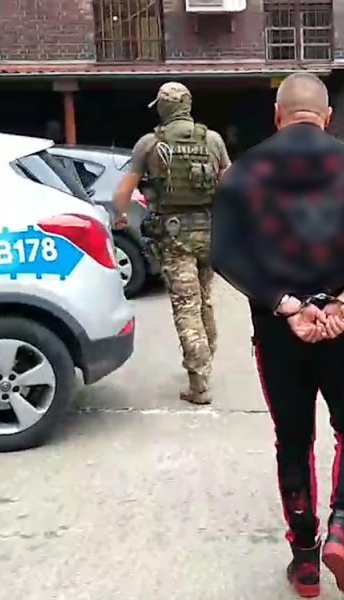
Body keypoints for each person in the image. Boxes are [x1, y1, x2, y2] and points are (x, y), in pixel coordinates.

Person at [211, 72, 344, 598]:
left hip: (280, 332)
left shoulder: (244, 173)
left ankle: (304, 560)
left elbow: (225, 255)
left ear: (278, 115)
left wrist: (284, 303)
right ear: (327, 117)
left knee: (294, 441)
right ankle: (343, 528)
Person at [113, 82, 231, 405]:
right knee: (204, 298)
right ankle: (207, 354)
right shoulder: (212, 140)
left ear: (163, 108)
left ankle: (199, 383)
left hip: (174, 236)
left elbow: (123, 192)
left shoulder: (149, 144)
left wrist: (119, 216)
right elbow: (231, 183)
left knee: (186, 305)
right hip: (209, 232)